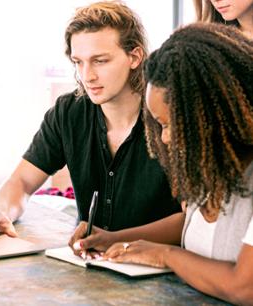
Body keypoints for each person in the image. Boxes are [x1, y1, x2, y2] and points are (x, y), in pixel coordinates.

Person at [0, 1, 180, 240]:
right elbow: (21, 181)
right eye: (78, 62)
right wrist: (1, 212)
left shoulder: (172, 116)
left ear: (134, 56)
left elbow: (194, 221)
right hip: (91, 263)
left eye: (100, 61)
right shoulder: (69, 112)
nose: (87, 76)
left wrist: (114, 240)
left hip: (163, 269)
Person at [70, 23, 253, 304]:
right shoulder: (214, 168)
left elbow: (244, 287)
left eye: (171, 125)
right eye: (160, 125)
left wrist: (166, 255)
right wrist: (115, 238)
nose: (165, 138)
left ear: (215, 114)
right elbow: (190, 225)